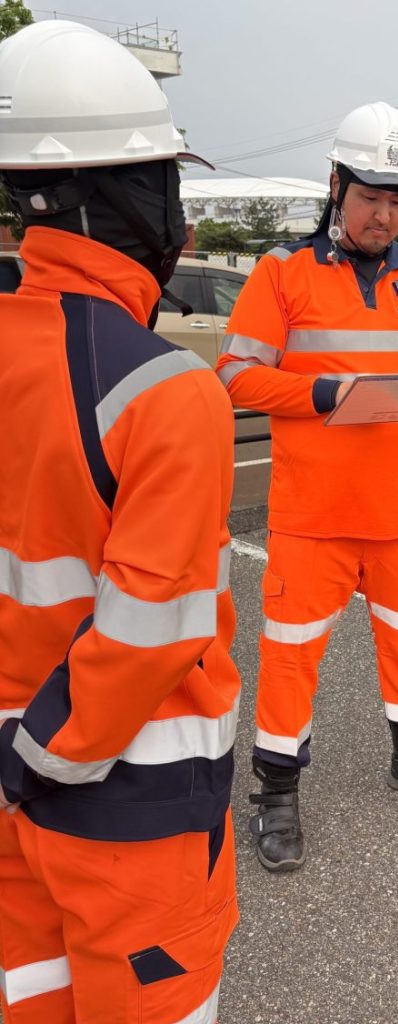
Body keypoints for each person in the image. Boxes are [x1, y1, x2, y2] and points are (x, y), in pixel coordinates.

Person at [0, 21, 240, 1023]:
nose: (176, 216)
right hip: (123, 803)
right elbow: (154, 627)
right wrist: (42, 762)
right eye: (164, 186)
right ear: (128, 199)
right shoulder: (165, 390)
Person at [216, 100, 398, 873]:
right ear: (336, 186)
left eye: (396, 200)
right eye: (369, 196)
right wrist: (324, 395)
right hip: (312, 519)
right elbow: (234, 375)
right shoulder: (280, 274)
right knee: (292, 657)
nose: (383, 214)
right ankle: (275, 793)